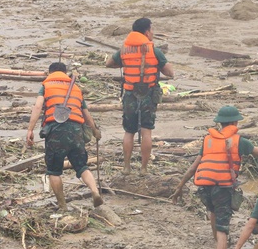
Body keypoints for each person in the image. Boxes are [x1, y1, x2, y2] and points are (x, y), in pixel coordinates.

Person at [170, 105, 258, 249]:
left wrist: (179, 187)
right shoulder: (239, 141)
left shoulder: (208, 140)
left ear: (220, 123)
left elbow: (192, 168)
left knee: (213, 214)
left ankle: (217, 248)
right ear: (235, 123)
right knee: (223, 229)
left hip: (204, 187)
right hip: (223, 188)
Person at [25, 62, 104, 211]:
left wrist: (30, 129)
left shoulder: (46, 86)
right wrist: (94, 131)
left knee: (54, 170)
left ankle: (62, 206)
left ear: (50, 73)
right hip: (76, 130)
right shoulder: (75, 88)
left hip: (56, 131)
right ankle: (95, 191)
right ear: (64, 72)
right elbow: (86, 114)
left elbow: (37, 107)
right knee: (82, 166)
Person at [105, 18, 175, 173]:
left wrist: (126, 64)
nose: (153, 33)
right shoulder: (155, 51)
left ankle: (126, 167)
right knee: (146, 131)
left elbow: (109, 63)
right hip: (148, 94)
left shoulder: (124, 50)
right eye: (152, 30)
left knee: (128, 131)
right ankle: (143, 168)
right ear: (146, 32)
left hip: (130, 94)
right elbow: (170, 73)